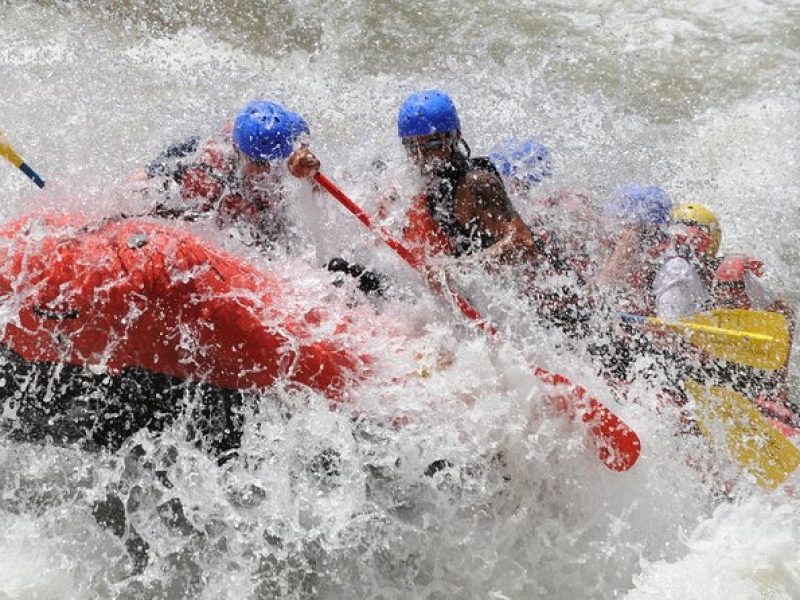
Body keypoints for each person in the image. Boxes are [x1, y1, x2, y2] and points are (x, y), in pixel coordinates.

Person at [141, 99, 319, 249]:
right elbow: (143, 180)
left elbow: (319, 190)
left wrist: (310, 171)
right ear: (236, 149)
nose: (266, 171)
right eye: (259, 164)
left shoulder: (289, 131)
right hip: (196, 164)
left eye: (274, 162)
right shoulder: (207, 166)